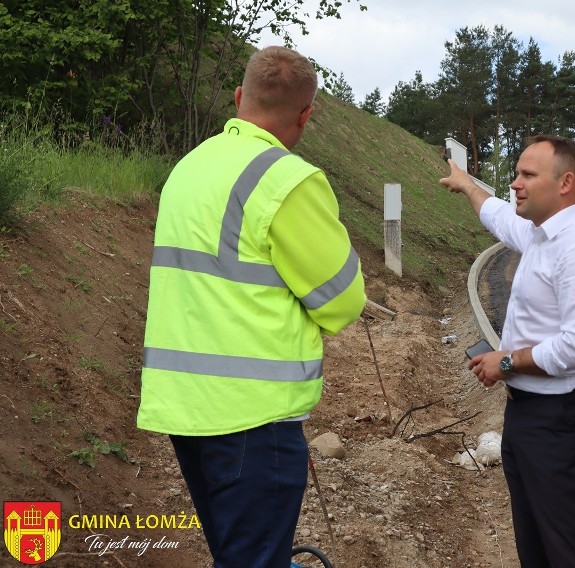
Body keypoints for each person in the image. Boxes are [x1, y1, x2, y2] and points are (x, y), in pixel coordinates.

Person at [136, 46, 367, 566]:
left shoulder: (188, 169)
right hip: (253, 418)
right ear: (306, 115)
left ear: (239, 98)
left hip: (186, 409)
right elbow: (343, 301)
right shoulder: (286, 181)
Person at [440, 135, 575, 567]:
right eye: (516, 173)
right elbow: (501, 217)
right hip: (531, 413)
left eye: (527, 174)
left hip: (563, 419)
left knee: (568, 549)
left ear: (565, 183)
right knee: (536, 547)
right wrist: (468, 185)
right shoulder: (541, 234)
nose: (515, 183)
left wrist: (505, 361)